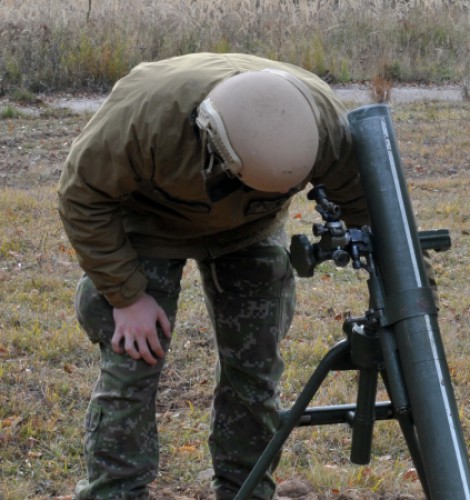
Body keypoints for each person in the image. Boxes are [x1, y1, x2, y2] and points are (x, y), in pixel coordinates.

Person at [58, 52, 369, 499]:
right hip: (148, 223)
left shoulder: (324, 127)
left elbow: (368, 213)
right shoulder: (143, 118)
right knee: (133, 361)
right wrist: (125, 296)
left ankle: (244, 489)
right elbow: (80, 196)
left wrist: (413, 297)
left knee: (255, 368)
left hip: (251, 229)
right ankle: (115, 492)